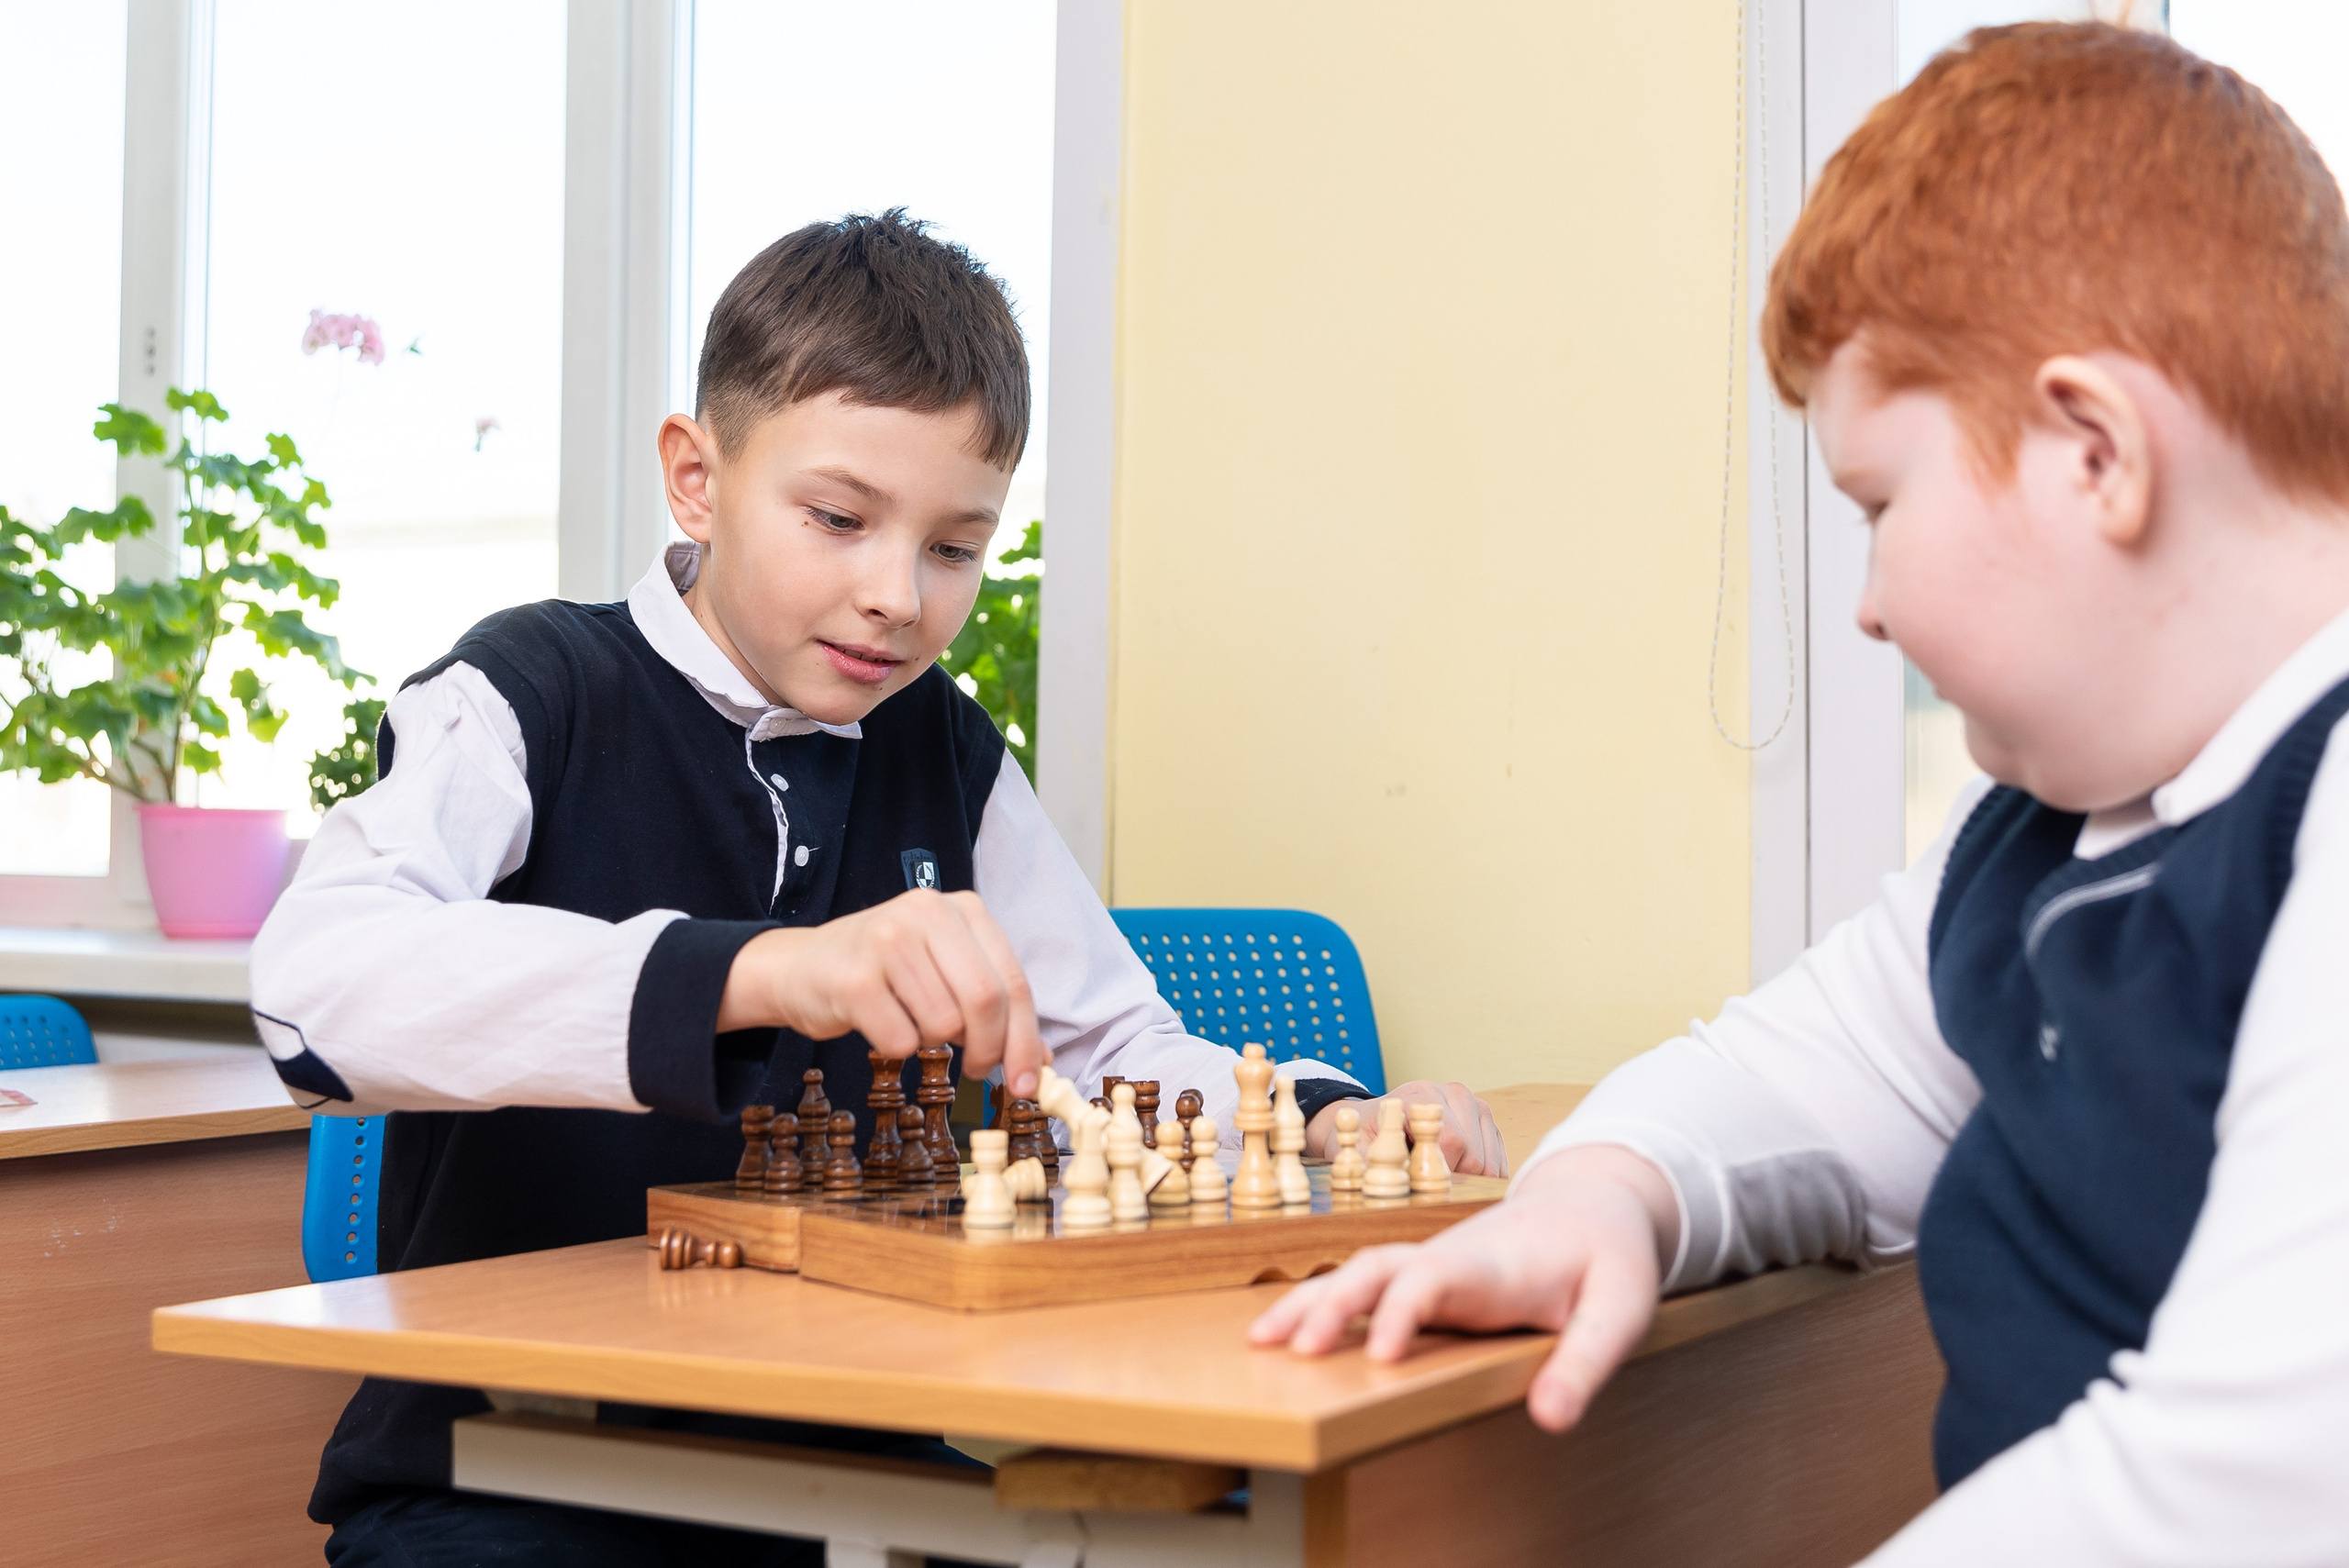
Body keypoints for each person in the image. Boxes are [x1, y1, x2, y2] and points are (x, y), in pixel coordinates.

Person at [250, 211, 1507, 1565]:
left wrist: (1334, 1116)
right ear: (696, 477)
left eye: (954, 548)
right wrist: (759, 970)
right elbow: (313, 997)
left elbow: (1110, 1050)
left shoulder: (945, 748)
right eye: (839, 519)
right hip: (512, 1469)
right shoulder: (529, 692)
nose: (896, 595)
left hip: (854, 1458)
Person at [1254, 24, 2349, 1562]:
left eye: (1880, 504)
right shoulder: (2049, 842)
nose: (1870, 608)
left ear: (2095, 451)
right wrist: (1600, 1197)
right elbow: (1795, 1080)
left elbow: (2256, 1485)